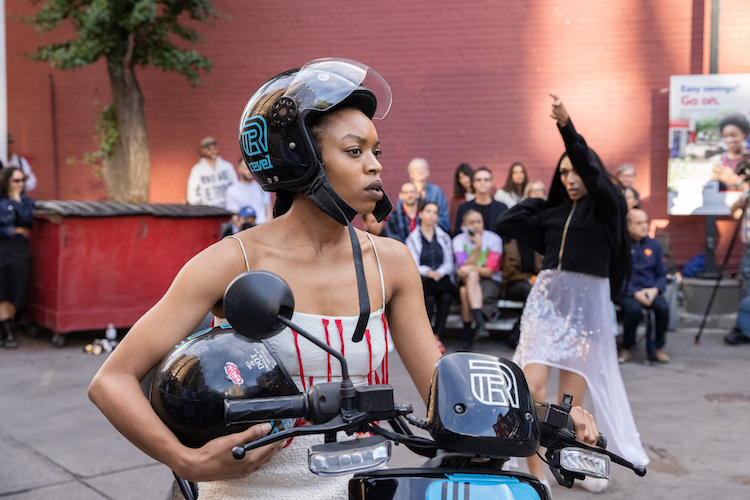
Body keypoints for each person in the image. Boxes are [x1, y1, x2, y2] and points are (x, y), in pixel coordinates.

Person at [88, 59, 600, 500]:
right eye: (355, 152)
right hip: (250, 491)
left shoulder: (391, 262)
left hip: (364, 486)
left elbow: (442, 389)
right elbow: (111, 381)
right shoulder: (232, 260)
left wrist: (544, 417)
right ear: (298, 157)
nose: (376, 165)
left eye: (376, 150)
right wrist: (188, 462)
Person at [496, 94, 649, 491]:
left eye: (576, 170)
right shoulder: (553, 212)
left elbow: (592, 175)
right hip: (546, 304)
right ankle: (533, 473)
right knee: (529, 391)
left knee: (569, 406)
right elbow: (509, 220)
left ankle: (573, 464)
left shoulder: (608, 208)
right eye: (563, 173)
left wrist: (566, 127)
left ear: (590, 170)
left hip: (585, 311)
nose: (570, 178)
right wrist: (541, 199)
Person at [614, 209, 670, 363]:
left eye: (646, 222)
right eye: (639, 223)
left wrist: (655, 289)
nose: (644, 226)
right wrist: (634, 292)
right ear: (628, 225)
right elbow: (618, 275)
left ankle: (657, 348)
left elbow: (661, 273)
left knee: (662, 308)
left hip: (650, 289)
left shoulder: (654, 245)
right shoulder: (620, 246)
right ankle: (627, 347)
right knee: (633, 309)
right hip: (626, 290)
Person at [405, 200, 454, 354]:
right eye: (428, 211)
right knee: (429, 299)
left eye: (435, 213)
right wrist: (429, 272)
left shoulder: (444, 237)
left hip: (441, 278)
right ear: (420, 214)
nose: (431, 215)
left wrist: (440, 272)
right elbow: (412, 263)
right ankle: (424, 337)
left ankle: (436, 336)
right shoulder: (412, 238)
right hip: (424, 280)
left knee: (446, 297)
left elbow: (449, 262)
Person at [452, 209, 503, 351]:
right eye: (471, 222)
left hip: (489, 282)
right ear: (464, 225)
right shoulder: (458, 240)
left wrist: (472, 269)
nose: (476, 226)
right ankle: (479, 323)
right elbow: (463, 270)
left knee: (464, 291)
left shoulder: (494, 239)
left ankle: (466, 336)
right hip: (467, 279)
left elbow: (490, 271)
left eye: (478, 222)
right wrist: (478, 247)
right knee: (471, 277)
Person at [0, 167, 34, 348]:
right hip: (2, 248)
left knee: (18, 290)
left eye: (22, 181)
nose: (20, 184)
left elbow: (27, 220)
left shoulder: (27, 202)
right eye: (16, 181)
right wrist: (12, 229)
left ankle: (5, 328)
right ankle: (7, 331)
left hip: (20, 250)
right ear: (7, 182)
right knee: (2, 289)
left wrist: (16, 201)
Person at [453, 167, 508, 236]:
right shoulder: (464, 208)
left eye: (486, 180)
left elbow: (506, 235)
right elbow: (458, 233)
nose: (482, 182)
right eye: (479, 180)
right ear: (473, 183)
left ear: (491, 183)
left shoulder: (502, 208)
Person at [186, 137, 238, 208]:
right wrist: (203, 211)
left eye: (215, 148)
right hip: (210, 215)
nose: (213, 151)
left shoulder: (227, 167)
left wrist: (234, 207)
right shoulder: (197, 170)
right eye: (209, 149)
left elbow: (235, 187)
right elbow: (193, 194)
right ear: (203, 151)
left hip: (228, 213)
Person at [225, 158, 273, 230]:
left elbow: (269, 210)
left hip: (262, 229)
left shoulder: (262, 187)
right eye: (246, 168)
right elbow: (235, 217)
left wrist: (267, 228)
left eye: (251, 168)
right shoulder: (232, 190)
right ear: (239, 169)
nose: (249, 171)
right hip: (243, 232)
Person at [407, 158, 450, 233]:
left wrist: (430, 221)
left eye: (422, 168)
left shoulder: (436, 191)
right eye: (416, 169)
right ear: (411, 174)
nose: (420, 171)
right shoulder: (406, 192)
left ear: (427, 172)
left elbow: (444, 218)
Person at [711, 113, 750, 190]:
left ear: (744, 135)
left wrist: (737, 181)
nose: (729, 140)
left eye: (733, 135)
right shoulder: (719, 160)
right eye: (725, 136)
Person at [448, 163, 474, 234]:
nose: (464, 180)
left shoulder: (480, 194)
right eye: (461, 178)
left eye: (466, 176)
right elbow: (453, 218)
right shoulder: (457, 198)